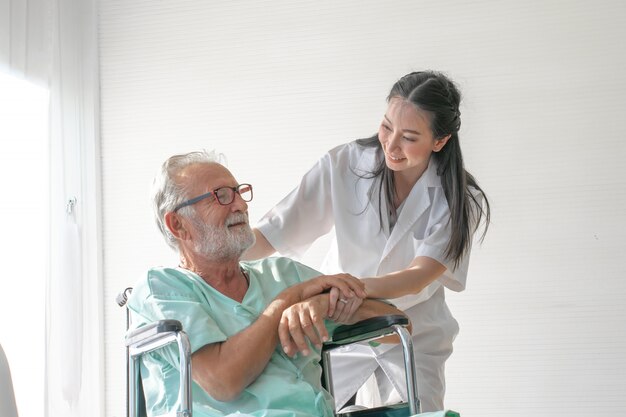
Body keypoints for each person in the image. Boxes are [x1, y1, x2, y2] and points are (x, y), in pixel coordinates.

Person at [244, 71, 491, 412]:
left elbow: (418, 274)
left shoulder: (460, 198)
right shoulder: (345, 163)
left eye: (409, 137)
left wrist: (340, 290)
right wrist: (207, 256)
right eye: (387, 126)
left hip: (413, 338)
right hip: (338, 328)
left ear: (440, 140)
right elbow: (273, 232)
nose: (390, 145)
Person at [126, 150, 408, 417]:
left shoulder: (282, 272)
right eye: (220, 196)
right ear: (178, 224)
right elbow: (223, 381)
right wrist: (287, 302)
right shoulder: (162, 287)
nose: (240, 205)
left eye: (239, 192)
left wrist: (320, 305)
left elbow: (398, 325)